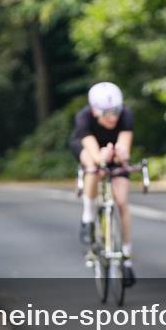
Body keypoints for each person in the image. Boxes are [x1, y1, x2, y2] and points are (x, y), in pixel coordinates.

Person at [69, 82, 136, 278]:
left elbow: (124, 148)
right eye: (107, 113)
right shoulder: (84, 118)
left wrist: (120, 155)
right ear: (94, 111)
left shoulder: (126, 116)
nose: (113, 117)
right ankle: (88, 217)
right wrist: (102, 158)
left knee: (122, 201)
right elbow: (96, 156)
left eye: (116, 111)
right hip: (89, 149)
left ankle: (127, 256)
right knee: (93, 168)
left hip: (112, 150)